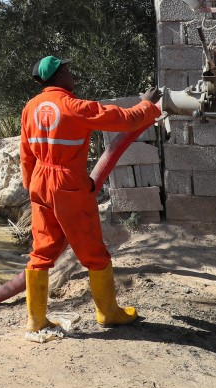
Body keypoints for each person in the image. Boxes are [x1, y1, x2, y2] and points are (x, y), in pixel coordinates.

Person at [19, 56, 161, 337]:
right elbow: (125, 120)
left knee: (41, 252)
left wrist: (33, 189)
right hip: (68, 185)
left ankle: (36, 321)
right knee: (93, 252)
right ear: (58, 77)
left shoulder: (30, 108)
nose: (72, 73)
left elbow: (25, 155)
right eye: (67, 69)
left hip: (40, 183)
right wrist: (147, 104)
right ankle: (108, 313)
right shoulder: (75, 107)